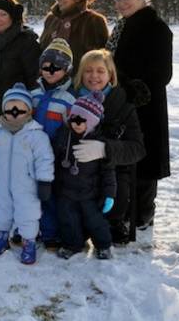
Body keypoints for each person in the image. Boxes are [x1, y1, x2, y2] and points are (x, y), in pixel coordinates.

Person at [107, 0, 173, 230]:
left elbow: (162, 72)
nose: (122, 3)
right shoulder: (121, 26)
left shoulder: (156, 27)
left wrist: (136, 87)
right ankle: (127, 209)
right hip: (121, 103)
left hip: (146, 105)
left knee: (145, 161)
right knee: (126, 157)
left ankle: (143, 213)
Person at [72, 49, 146, 244]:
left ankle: (113, 221)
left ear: (110, 75)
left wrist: (105, 149)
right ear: (81, 74)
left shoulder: (124, 104)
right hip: (76, 172)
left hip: (112, 177)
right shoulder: (70, 99)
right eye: (88, 71)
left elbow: (137, 148)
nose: (94, 76)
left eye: (100, 71)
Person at [0, 83, 54, 265]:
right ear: (4, 110)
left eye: (19, 109)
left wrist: (45, 182)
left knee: (27, 214)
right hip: (2, 185)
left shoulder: (36, 136)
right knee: (1, 211)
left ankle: (29, 243)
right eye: (10, 108)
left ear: (28, 111)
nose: (14, 113)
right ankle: (1, 239)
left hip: (27, 187)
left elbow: (45, 159)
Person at [54, 92, 116, 260]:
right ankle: (72, 244)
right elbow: (54, 160)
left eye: (81, 121)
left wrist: (109, 194)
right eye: (73, 118)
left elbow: (108, 171)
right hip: (67, 191)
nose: (76, 123)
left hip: (90, 193)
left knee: (95, 221)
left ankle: (103, 245)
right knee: (68, 220)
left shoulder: (98, 142)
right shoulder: (63, 135)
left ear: (92, 123)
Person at [30, 38, 77, 249]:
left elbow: (74, 127)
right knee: (32, 193)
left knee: (52, 195)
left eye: (56, 67)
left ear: (66, 69)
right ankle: (30, 228)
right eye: (46, 66)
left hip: (56, 157)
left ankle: (52, 233)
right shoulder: (34, 93)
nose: (50, 71)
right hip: (33, 154)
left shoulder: (69, 98)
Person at [39, 0, 109, 74]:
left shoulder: (94, 21)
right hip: (49, 82)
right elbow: (41, 51)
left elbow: (102, 58)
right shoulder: (51, 19)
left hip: (81, 84)